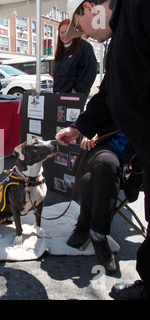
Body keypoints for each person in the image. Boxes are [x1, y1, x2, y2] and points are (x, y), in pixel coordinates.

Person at [56, 0, 150, 300]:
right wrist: (79, 128)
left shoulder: (139, 9)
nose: (86, 36)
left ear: (90, 8)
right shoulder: (119, 33)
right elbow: (109, 91)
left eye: (82, 28)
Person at [67, 128, 129, 275]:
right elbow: (94, 111)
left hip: (134, 153)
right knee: (92, 175)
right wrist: (92, 131)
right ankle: (91, 229)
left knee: (96, 175)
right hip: (104, 145)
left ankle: (95, 232)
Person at [53, 19, 97, 99]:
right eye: (61, 32)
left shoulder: (84, 47)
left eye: (67, 31)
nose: (64, 35)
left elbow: (90, 70)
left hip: (75, 96)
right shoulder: (61, 51)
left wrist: (78, 90)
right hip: (60, 95)